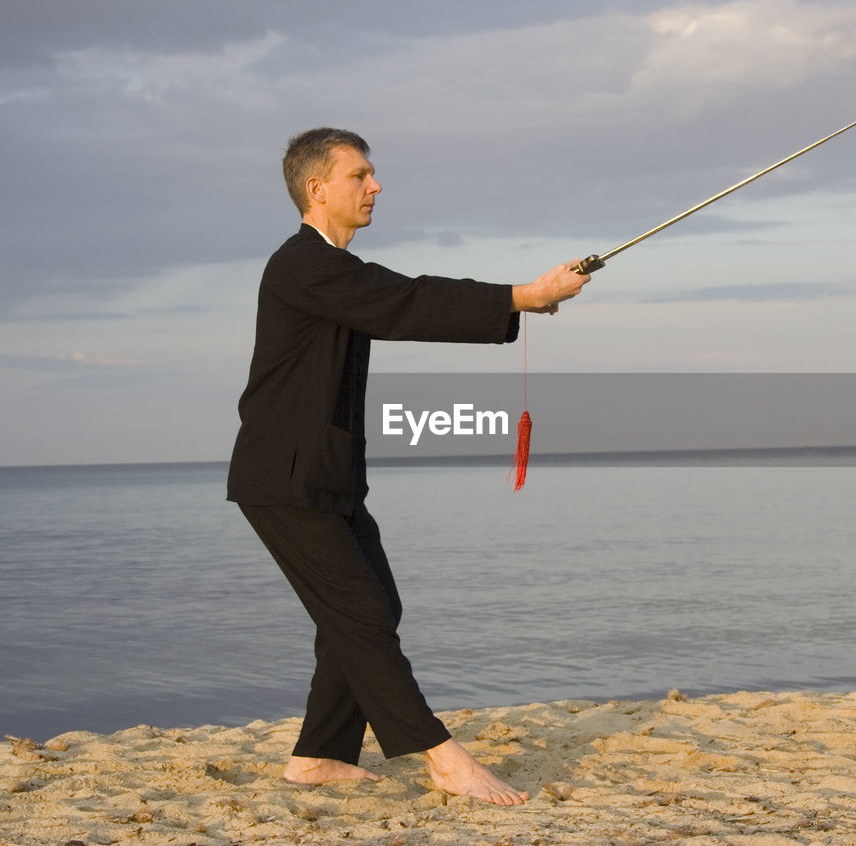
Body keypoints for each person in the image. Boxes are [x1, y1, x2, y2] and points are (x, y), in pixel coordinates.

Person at [226, 128, 588, 806]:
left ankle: (318, 755)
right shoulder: (303, 264)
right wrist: (523, 295)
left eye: (372, 174)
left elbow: (396, 300)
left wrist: (523, 300)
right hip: (286, 479)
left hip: (326, 477)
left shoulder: (331, 269)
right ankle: (442, 757)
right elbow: (407, 300)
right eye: (359, 174)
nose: (376, 186)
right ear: (318, 188)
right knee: (362, 615)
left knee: (373, 608)